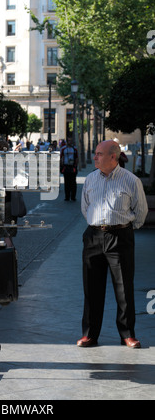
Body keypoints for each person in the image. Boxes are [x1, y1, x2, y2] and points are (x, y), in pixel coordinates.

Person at [78, 140, 148, 349]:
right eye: (95, 153)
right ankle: (89, 334)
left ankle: (127, 334)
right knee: (91, 288)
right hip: (93, 236)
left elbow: (141, 212)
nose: (95, 157)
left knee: (123, 288)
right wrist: (97, 225)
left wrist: (125, 229)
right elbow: (85, 207)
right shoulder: (90, 179)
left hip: (120, 237)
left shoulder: (131, 180)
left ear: (113, 157)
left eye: (99, 154)